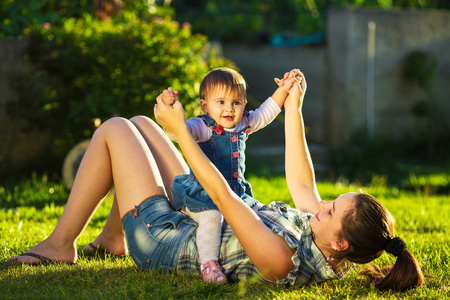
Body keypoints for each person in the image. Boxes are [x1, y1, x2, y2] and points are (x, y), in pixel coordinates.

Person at [8, 70, 424, 292]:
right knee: (140, 124)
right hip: (197, 210)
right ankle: (113, 239)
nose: (321, 205)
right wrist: (293, 107)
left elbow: (223, 195)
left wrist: (182, 130)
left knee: (116, 129)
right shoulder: (325, 241)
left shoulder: (281, 260)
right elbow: (301, 185)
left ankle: (61, 245)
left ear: (342, 243)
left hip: (167, 237)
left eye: (331, 209)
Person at [158, 67, 298, 284]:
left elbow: (267, 112)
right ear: (205, 106)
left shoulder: (243, 124)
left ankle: (280, 243)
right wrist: (170, 112)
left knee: (258, 214)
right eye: (220, 102)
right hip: (204, 195)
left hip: (236, 194)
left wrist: (285, 89)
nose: (229, 108)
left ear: (243, 104)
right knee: (213, 218)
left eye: (236, 102)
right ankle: (209, 264)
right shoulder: (202, 127)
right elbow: (179, 132)